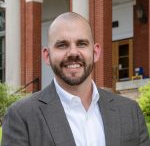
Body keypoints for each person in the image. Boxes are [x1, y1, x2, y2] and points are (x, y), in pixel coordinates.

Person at [2, 12, 150, 146]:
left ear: (95, 52)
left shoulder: (129, 111)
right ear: (47, 55)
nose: (73, 52)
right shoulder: (22, 116)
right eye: (62, 45)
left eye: (81, 44)